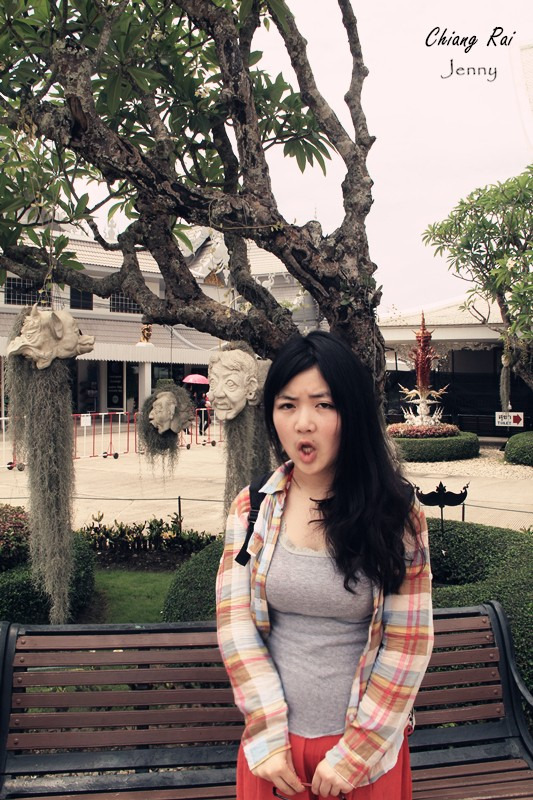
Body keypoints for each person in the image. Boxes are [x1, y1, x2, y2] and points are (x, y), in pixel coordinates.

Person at [216, 331, 434, 800]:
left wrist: (356, 754)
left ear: (351, 413)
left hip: (362, 759)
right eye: (287, 405)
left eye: (323, 405)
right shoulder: (252, 508)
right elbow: (235, 624)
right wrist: (267, 736)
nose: (304, 423)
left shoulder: (396, 514)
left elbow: (408, 642)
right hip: (275, 758)